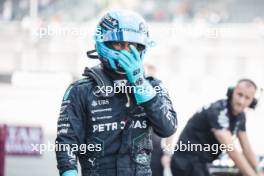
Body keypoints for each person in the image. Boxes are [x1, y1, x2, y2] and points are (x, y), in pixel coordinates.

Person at [55, 10, 177, 176]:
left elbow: (168, 128)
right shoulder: (80, 90)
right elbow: (66, 143)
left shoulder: (153, 86)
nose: (127, 51)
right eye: (119, 44)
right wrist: (69, 173)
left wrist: (140, 85)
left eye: (132, 46)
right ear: (103, 42)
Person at [170, 79, 264, 176]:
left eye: (247, 98)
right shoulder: (218, 110)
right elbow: (231, 150)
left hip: (201, 164)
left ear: (253, 102)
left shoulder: (240, 116)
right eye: (239, 94)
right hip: (186, 162)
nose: (241, 101)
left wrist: (258, 170)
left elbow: (246, 147)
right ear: (231, 92)